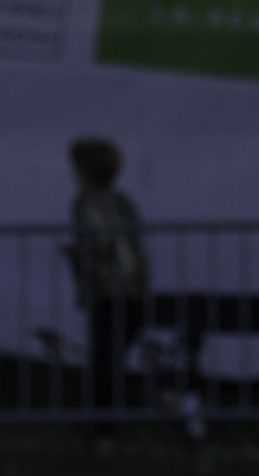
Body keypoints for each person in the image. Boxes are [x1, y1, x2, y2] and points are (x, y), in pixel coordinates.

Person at [64, 138, 148, 438]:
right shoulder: (123, 200)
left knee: (104, 367)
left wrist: (78, 257)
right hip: (134, 290)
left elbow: (97, 243)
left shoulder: (86, 202)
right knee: (112, 363)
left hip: (108, 292)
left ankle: (105, 433)